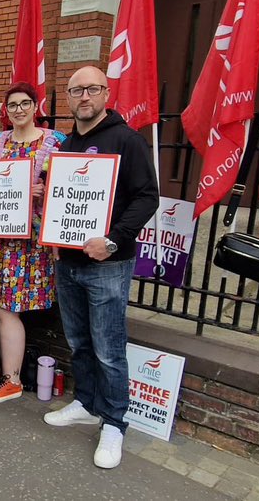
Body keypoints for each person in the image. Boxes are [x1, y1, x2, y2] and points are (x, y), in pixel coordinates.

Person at [44, 66, 158, 469]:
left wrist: (112, 240)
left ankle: (114, 423)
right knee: (79, 342)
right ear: (69, 97)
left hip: (108, 263)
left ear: (106, 93)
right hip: (68, 261)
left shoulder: (126, 140)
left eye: (92, 89)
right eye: (76, 90)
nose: (84, 97)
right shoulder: (67, 144)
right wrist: (54, 235)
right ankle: (86, 403)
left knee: (110, 350)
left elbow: (147, 198)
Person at [0, 83, 66, 403]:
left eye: (25, 103)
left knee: (8, 307)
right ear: (5, 111)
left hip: (29, 244)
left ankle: (12, 380)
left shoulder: (54, 143)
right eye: (12, 105)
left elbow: (69, 193)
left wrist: (43, 192)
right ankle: (6, 367)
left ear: (36, 107)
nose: (19, 109)